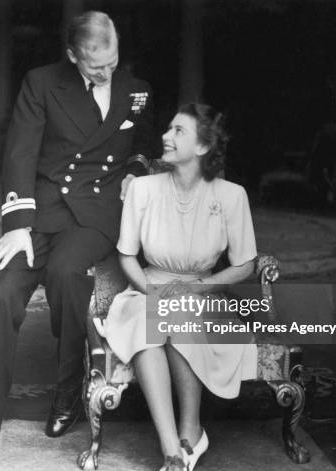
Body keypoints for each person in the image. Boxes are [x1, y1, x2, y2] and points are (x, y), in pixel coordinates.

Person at [0, 11, 154, 453]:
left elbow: (142, 141)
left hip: (95, 216)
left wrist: (136, 169)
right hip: (41, 209)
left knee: (68, 273)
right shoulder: (42, 82)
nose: (105, 72)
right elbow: (21, 153)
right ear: (72, 55)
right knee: (0, 292)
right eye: (94, 66)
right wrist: (17, 227)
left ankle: (68, 388)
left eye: (112, 62)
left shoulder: (136, 90)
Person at [104, 103, 258, 471]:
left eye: (178, 131)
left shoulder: (232, 196)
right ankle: (172, 449)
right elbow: (127, 256)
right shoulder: (142, 189)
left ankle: (192, 430)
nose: (165, 136)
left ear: (202, 147)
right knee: (149, 324)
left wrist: (201, 287)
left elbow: (245, 265)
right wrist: (151, 291)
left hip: (202, 295)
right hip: (145, 290)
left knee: (180, 317)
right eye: (168, 128)